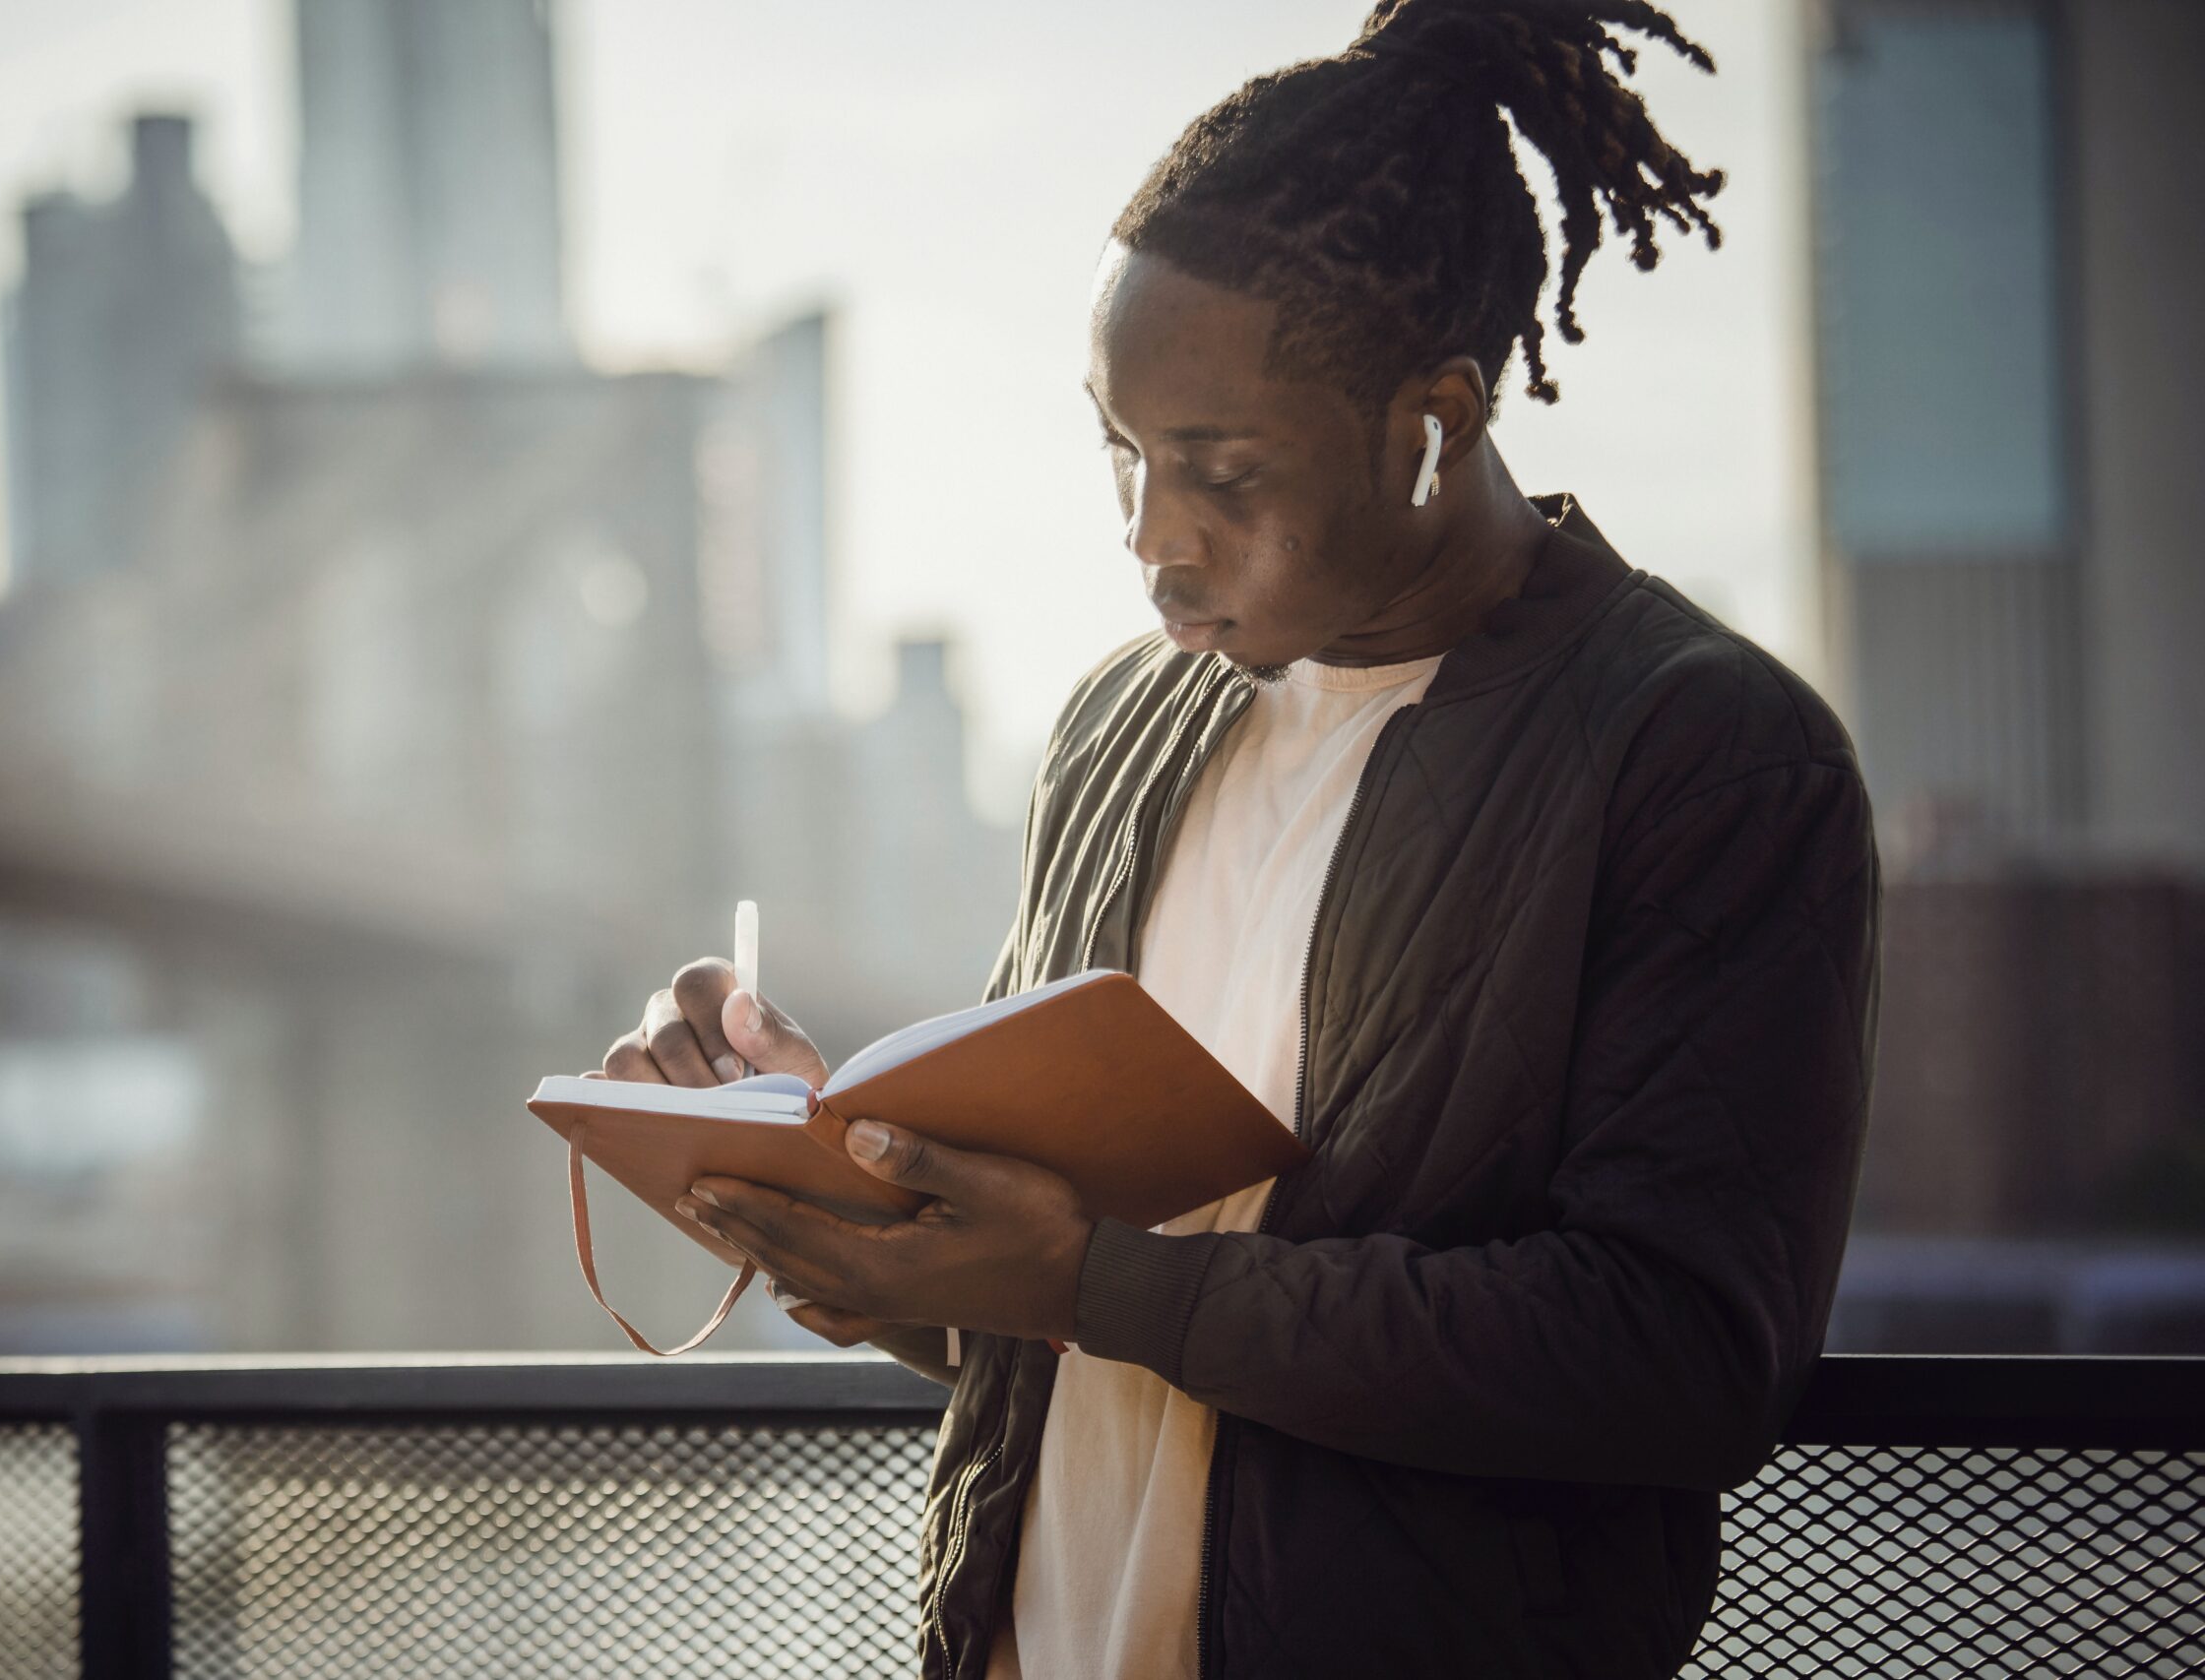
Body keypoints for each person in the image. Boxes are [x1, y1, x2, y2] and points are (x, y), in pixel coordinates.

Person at [593, 1, 1879, 1674]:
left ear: (1437, 418)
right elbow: (1051, 1304)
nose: (1149, 537)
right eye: (1120, 451)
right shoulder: (1122, 724)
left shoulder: (1706, 752)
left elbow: (1681, 1356)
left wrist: (1094, 1287)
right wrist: (832, 1203)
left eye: (1221, 471)